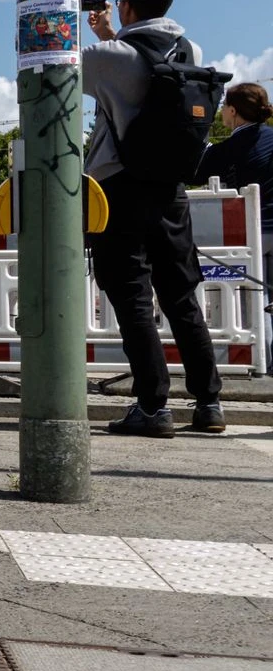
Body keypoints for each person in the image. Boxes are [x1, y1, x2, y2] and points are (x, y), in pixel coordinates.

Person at [84, 0, 225, 437]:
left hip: (119, 188)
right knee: (181, 298)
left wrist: (86, 24)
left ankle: (153, 407)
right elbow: (140, 69)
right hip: (170, 189)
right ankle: (209, 404)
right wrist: (112, 32)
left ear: (124, 5)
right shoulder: (189, 49)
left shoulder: (108, 58)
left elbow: (47, 61)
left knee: (133, 300)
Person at [193, 83, 273, 371]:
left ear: (233, 111)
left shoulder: (230, 147)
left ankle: (262, 363)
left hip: (254, 231)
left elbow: (197, 170)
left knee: (253, 298)